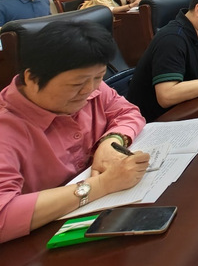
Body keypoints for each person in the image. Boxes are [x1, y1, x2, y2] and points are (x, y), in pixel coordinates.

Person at [0, 20, 150, 243]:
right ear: (31, 78)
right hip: (41, 241)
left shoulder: (91, 85)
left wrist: (111, 141)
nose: (89, 90)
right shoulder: (6, 129)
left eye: (98, 77)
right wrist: (102, 185)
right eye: (76, 85)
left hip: (104, 215)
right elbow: (3, 215)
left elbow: (128, 112)